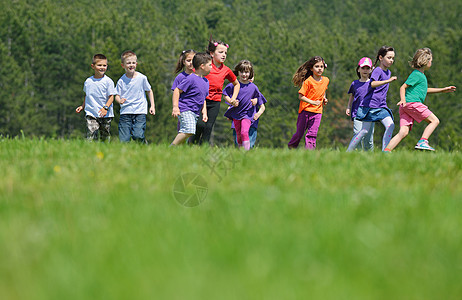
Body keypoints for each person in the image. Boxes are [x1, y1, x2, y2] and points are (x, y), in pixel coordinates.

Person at [384, 48, 456, 152]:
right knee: (435, 121)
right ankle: (423, 141)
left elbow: (424, 90)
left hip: (405, 107)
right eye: (431, 60)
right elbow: (402, 87)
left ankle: (386, 151)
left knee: (403, 132)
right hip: (412, 103)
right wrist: (403, 99)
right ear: (425, 61)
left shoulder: (420, 75)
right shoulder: (416, 74)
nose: (431, 62)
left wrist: (442, 90)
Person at [189, 38, 240, 145]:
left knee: (208, 127)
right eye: (220, 52)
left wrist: (233, 99)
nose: (224, 55)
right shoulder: (205, 66)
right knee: (199, 125)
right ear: (212, 53)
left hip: (215, 103)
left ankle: (204, 149)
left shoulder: (226, 70)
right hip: (200, 101)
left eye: (225, 53)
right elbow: (193, 77)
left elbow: (237, 84)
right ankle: (191, 145)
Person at [346, 46, 397, 152]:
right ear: (381, 58)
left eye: (393, 58)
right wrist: (387, 81)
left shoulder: (388, 73)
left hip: (381, 106)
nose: (391, 60)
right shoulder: (377, 71)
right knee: (364, 131)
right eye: (389, 57)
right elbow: (373, 84)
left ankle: (385, 151)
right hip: (370, 106)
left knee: (390, 125)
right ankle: (348, 152)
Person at [288, 56, 329, 150]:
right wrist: (312, 102)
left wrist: (324, 98)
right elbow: (301, 96)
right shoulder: (308, 81)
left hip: (317, 112)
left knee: (312, 134)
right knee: (299, 133)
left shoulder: (326, 80)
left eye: (321, 66)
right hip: (305, 111)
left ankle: (310, 152)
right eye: (317, 66)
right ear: (311, 68)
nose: (319, 69)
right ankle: (291, 147)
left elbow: (323, 90)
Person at [223, 60, 266, 150]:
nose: (244, 74)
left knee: (244, 132)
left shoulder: (253, 87)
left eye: (246, 72)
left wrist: (256, 101)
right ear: (238, 72)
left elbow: (260, 100)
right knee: (238, 134)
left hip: (248, 114)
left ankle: (246, 151)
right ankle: (240, 151)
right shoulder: (234, 85)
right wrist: (231, 101)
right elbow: (225, 95)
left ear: (250, 73)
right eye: (241, 71)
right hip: (236, 114)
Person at [171, 52, 212, 145]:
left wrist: (204, 112)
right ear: (202, 66)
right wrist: (175, 107)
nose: (211, 67)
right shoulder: (191, 78)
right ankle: (172, 146)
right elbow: (177, 90)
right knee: (189, 130)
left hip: (195, 112)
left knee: (185, 134)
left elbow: (203, 98)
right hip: (185, 109)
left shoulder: (206, 81)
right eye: (209, 65)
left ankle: (178, 150)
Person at [115, 50, 156, 143]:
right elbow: (116, 95)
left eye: (133, 63)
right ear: (123, 65)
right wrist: (119, 100)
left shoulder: (142, 78)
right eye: (128, 63)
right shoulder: (121, 81)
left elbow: (149, 91)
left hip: (140, 111)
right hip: (125, 112)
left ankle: (143, 146)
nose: (131, 65)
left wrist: (152, 106)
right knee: (124, 139)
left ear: (136, 64)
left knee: (138, 135)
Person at [76, 53, 117, 141]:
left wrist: (105, 108)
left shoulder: (108, 81)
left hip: (106, 114)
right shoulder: (88, 81)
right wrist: (82, 106)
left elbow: (111, 97)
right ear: (93, 66)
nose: (102, 67)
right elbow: (87, 95)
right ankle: (90, 150)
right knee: (91, 133)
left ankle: (105, 150)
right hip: (91, 112)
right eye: (99, 65)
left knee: (105, 136)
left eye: (104, 65)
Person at [346, 57, 375, 151]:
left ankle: (370, 157)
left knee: (368, 139)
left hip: (369, 114)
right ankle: (358, 154)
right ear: (358, 69)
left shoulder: (373, 83)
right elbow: (352, 96)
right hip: (357, 112)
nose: (365, 70)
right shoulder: (355, 83)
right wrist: (348, 107)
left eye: (368, 68)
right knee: (357, 133)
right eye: (363, 68)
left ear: (371, 70)